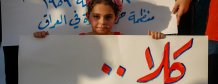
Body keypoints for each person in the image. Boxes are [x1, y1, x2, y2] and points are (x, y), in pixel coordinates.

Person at [34, 0, 165, 39]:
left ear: (115, 18)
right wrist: (42, 40)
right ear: (88, 17)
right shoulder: (79, 40)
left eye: (108, 17)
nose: (102, 22)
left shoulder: (124, 39)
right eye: (96, 17)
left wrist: (155, 41)